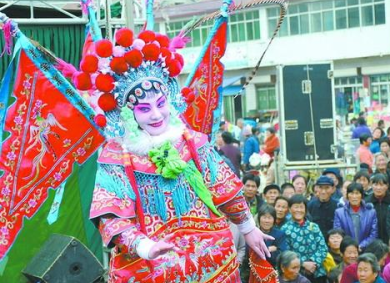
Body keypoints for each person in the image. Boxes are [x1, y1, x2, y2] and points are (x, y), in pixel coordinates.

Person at [86, 30, 272, 282]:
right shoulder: (117, 156)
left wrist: (248, 228)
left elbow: (224, 189)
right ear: (128, 114)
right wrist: (144, 246)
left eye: (160, 104)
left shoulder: (193, 142)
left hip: (211, 263)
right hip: (151, 267)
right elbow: (111, 217)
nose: (156, 115)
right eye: (144, 108)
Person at [281, 194, 328, 283]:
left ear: (306, 210)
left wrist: (313, 262)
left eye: (301, 207)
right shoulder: (285, 229)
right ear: (290, 209)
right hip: (297, 275)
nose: (299, 210)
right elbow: (286, 252)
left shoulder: (314, 227)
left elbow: (323, 248)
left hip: (318, 272)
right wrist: (303, 264)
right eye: (296, 207)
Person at [333, 183, 378, 250]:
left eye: (357, 193)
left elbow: (373, 234)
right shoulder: (339, 213)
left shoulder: (371, 212)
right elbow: (338, 233)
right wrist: (351, 247)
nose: (354, 196)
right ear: (347, 195)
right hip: (347, 250)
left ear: (361, 195)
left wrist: (362, 246)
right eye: (351, 193)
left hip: (366, 250)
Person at [365, 173, 390, 244]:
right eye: (375, 185)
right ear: (371, 186)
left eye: (381, 185)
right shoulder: (366, 202)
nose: (378, 188)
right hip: (371, 241)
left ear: (387, 186)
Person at [308, 175, 339, 240]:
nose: (323, 191)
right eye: (320, 188)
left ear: (333, 189)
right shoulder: (310, 206)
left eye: (327, 188)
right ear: (316, 188)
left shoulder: (338, 206)